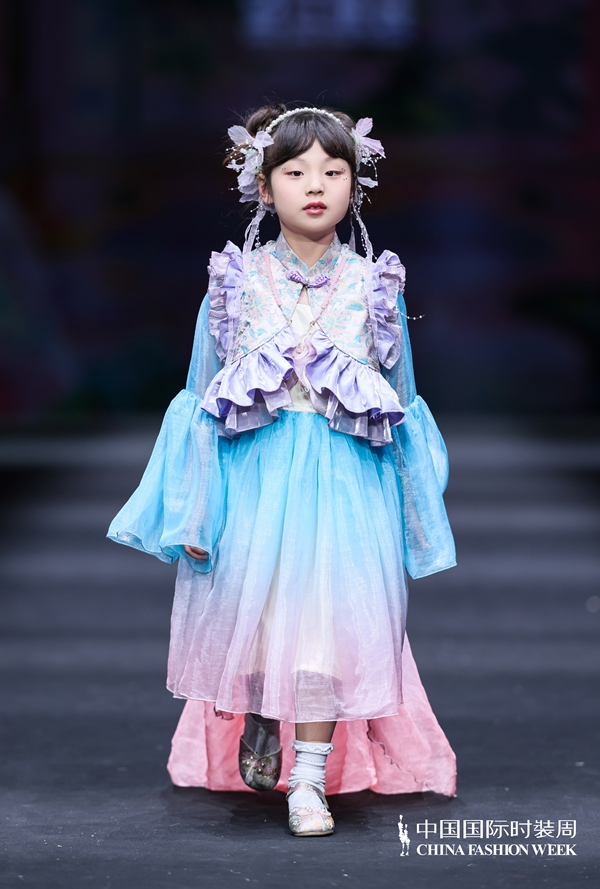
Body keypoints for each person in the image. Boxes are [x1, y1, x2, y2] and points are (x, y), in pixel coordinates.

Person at [108, 104, 457, 838]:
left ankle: (308, 782)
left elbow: (402, 404)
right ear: (264, 189)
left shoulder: (375, 287)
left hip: (345, 483)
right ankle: (263, 716)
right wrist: (195, 510)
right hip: (254, 479)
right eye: (296, 172)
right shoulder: (234, 283)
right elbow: (200, 400)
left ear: (356, 185)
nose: (316, 186)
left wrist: (413, 514)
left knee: (327, 634)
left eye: (334, 171)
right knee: (263, 626)